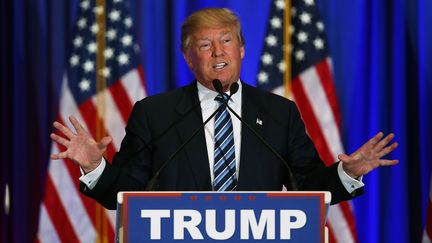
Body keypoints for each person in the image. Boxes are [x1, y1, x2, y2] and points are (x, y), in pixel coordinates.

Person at [50, 8, 398, 210]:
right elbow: (125, 193)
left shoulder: (280, 112)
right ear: (188, 57)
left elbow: (305, 182)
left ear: (242, 49)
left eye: (227, 41)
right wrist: (96, 166)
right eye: (205, 45)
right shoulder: (154, 113)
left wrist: (347, 173)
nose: (218, 53)